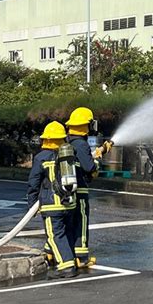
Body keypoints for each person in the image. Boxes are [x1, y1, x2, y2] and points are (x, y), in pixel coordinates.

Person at [27, 121, 78, 279]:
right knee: (66, 232)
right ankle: (50, 254)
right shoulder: (69, 156)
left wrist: (32, 205)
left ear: (46, 139)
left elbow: (34, 182)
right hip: (70, 203)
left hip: (52, 204)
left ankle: (67, 265)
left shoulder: (41, 157)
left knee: (55, 234)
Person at [65, 107, 99, 268]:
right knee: (81, 222)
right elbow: (89, 168)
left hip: (69, 191)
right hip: (81, 190)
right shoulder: (82, 144)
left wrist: (97, 153)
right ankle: (82, 257)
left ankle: (68, 252)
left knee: (69, 222)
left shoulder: (69, 143)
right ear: (87, 125)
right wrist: (96, 163)